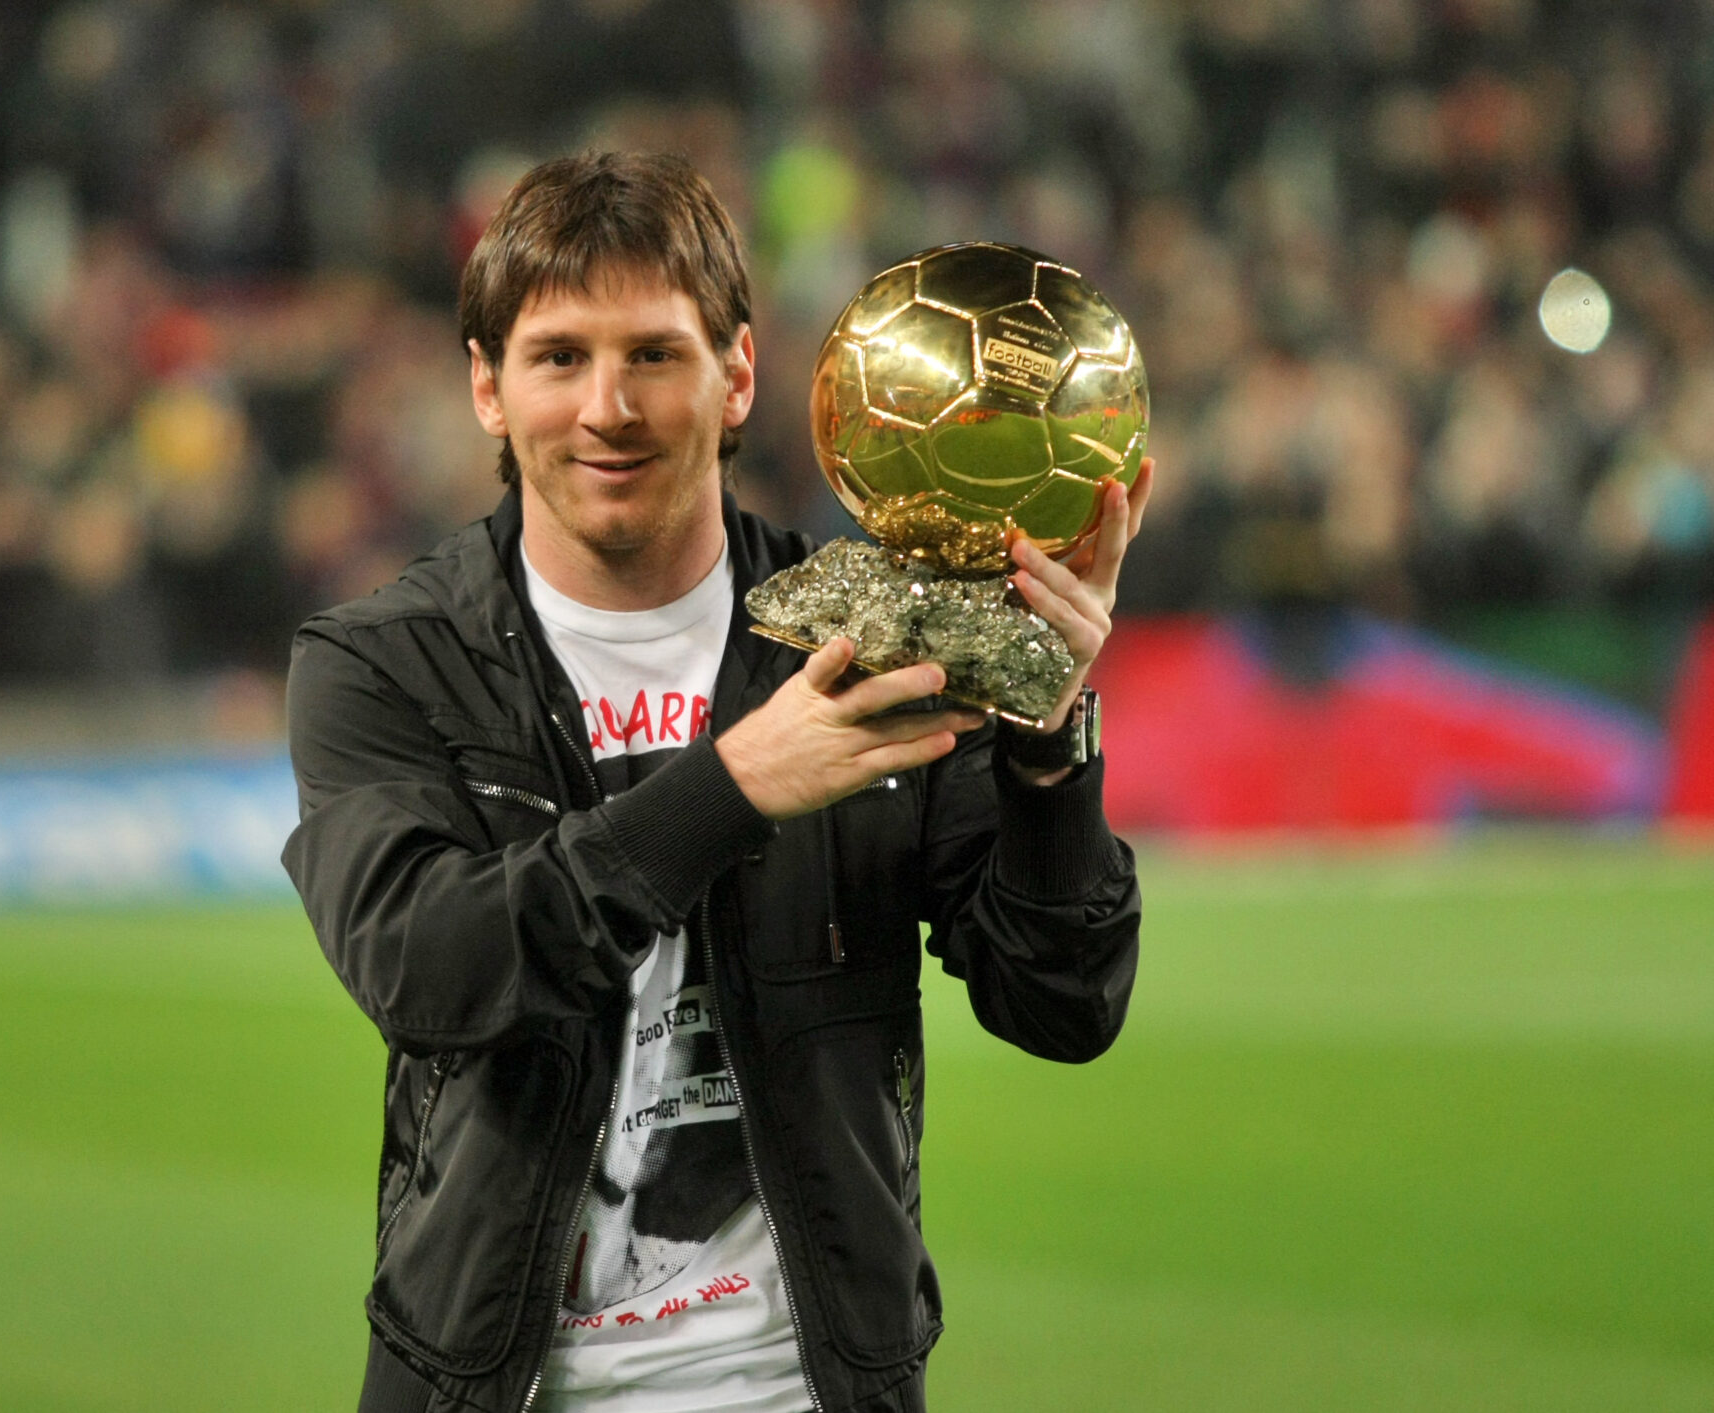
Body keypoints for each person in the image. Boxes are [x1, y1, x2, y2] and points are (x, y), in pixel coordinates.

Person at [282, 151, 1149, 1413]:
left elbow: (1060, 1004)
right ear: (486, 387)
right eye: (558, 357)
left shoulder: (878, 639)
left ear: (736, 374)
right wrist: (734, 784)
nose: (606, 409)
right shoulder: (385, 666)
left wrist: (1044, 737)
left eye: (652, 354)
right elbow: (430, 968)